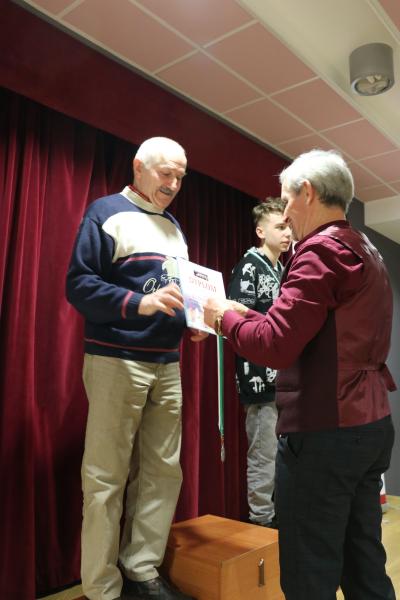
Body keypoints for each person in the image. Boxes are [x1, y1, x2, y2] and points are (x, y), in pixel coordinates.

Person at [204, 149, 396, 600]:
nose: (286, 214)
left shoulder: (319, 252)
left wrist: (223, 320)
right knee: (364, 565)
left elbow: (275, 344)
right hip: (369, 423)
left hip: (326, 430)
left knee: (308, 571)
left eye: (287, 200)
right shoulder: (364, 249)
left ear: (307, 192)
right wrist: (245, 315)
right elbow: (305, 329)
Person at [66, 137, 207, 600]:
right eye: (166, 173)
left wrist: (194, 322)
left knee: (163, 472)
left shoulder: (175, 227)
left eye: (180, 176)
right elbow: (78, 285)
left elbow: (179, 292)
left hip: (167, 362)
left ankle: (141, 568)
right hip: (115, 359)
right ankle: (101, 588)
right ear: (138, 167)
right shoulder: (105, 213)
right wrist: (137, 302)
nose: (173, 184)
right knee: (105, 477)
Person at [227, 199, 291, 528]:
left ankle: (277, 517)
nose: (288, 233)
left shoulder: (283, 270)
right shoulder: (249, 267)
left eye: (289, 226)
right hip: (259, 378)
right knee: (263, 454)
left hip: (285, 379)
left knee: (282, 453)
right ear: (261, 231)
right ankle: (261, 522)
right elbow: (237, 320)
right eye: (280, 227)